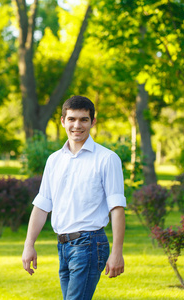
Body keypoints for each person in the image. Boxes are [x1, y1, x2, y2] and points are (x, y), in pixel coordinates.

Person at [22, 95, 126, 300]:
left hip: (90, 244)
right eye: (71, 119)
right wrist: (28, 244)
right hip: (63, 246)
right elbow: (42, 205)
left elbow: (117, 208)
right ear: (63, 121)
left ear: (93, 122)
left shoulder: (107, 159)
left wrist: (117, 252)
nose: (77, 125)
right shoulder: (54, 160)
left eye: (83, 119)